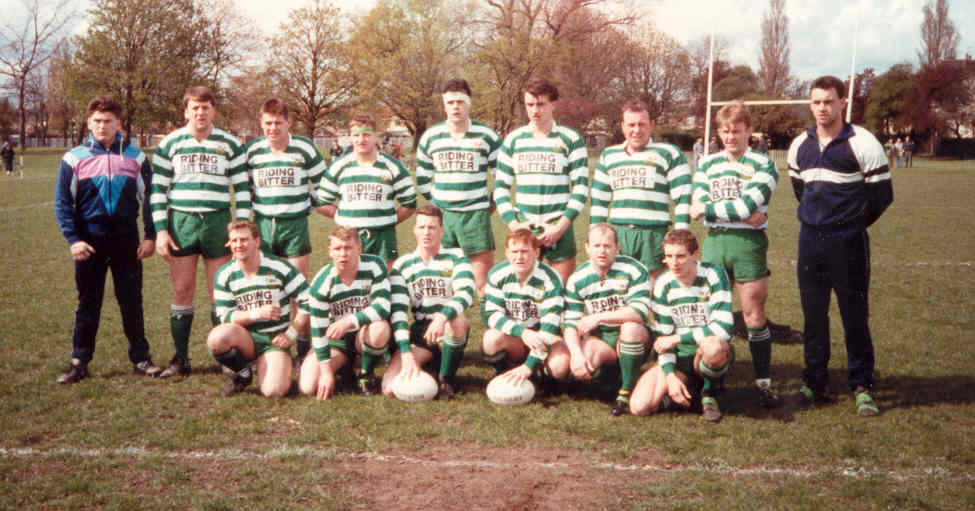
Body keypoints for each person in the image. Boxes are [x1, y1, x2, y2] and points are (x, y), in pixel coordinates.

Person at [787, 75, 892, 417]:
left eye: (829, 101)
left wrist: (850, 224)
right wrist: (819, 222)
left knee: (854, 315)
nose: (822, 108)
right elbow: (800, 191)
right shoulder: (799, 145)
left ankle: (861, 384)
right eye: (816, 102)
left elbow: (881, 196)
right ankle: (815, 382)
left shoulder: (862, 142)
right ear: (810, 104)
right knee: (813, 315)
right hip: (810, 241)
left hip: (848, 242)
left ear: (842, 102)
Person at [53, 96, 161, 383]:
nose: (102, 126)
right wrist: (73, 239)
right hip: (90, 241)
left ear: (118, 124)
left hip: (127, 240)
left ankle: (141, 359)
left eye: (108, 121)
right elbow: (63, 202)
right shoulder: (74, 158)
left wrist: (150, 236)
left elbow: (151, 200)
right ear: (89, 123)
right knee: (88, 303)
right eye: (97, 121)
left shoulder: (136, 157)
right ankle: (79, 362)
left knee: (131, 301)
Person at [151, 86, 250, 379]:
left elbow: (242, 189)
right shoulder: (170, 143)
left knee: (219, 292)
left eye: (205, 107)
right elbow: (158, 190)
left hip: (217, 223)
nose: (200, 113)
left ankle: (224, 355)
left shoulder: (230, 144)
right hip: (181, 222)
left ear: (213, 110)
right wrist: (161, 231)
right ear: (186, 111)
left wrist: (240, 229)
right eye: (194, 107)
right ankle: (181, 358)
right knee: (182, 290)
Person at [690, 100, 781, 408]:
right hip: (715, 242)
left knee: (753, 315)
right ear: (719, 132)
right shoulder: (706, 163)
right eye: (725, 131)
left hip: (748, 244)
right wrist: (736, 212)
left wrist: (709, 210)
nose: (731, 137)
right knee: (710, 312)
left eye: (737, 131)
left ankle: (763, 384)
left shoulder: (764, 164)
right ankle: (711, 384)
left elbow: (742, 206)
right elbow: (700, 204)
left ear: (748, 131)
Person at [244, 98, 327, 359]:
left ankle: (303, 348)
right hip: (263, 225)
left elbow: (325, 185)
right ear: (261, 123)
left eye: (278, 123)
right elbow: (245, 187)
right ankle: (268, 348)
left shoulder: (304, 147)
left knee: (298, 290)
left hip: (294, 225)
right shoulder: (253, 150)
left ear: (288, 122)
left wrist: (306, 206)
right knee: (266, 287)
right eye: (268, 123)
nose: (273, 128)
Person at [416, 78, 502, 323]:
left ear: (469, 103)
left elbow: (503, 176)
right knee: (443, 281)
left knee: (482, 283)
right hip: (443, 217)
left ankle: (491, 334)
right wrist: (437, 205)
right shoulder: (431, 136)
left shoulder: (486, 135)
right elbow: (422, 178)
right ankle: (445, 335)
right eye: (450, 102)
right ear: (444, 104)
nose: (456, 107)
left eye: (460, 102)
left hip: (475, 216)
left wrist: (490, 203)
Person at [628, 230, 734, 422]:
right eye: (669, 256)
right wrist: (670, 375)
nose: (674, 263)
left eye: (681, 256)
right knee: (639, 406)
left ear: (695, 255)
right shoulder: (663, 283)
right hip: (679, 357)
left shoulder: (713, 275)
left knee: (714, 348)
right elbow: (663, 340)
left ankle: (709, 393)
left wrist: (677, 338)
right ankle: (687, 391)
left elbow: (723, 328)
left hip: (706, 351)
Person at [494, 78, 588, 283]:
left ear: (553, 104)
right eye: (530, 105)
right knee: (524, 290)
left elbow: (581, 189)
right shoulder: (513, 140)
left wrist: (560, 227)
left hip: (558, 225)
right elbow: (500, 188)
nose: (535, 110)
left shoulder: (571, 139)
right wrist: (515, 225)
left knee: (561, 291)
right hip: (524, 225)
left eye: (541, 104)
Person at [553, 223, 652, 416]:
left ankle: (626, 391)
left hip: (634, 336)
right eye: (596, 246)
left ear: (617, 247)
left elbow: (639, 312)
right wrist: (576, 354)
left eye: (607, 246)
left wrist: (598, 317)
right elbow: (570, 323)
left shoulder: (633, 269)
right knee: (584, 362)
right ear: (587, 248)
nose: (602, 251)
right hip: (602, 339)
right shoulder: (577, 278)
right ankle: (613, 378)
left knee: (630, 328)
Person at [590, 100, 691, 284]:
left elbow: (683, 198)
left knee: (652, 288)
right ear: (622, 126)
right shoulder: (609, 155)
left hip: (653, 233)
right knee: (617, 286)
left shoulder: (669, 153)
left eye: (642, 124)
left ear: (651, 124)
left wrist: (681, 238)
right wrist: (595, 236)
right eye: (631, 124)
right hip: (618, 232)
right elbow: (599, 200)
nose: (636, 130)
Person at [207, 220, 310, 397]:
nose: (239, 245)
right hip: (245, 338)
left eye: (244, 239)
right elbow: (226, 317)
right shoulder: (224, 274)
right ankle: (243, 373)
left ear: (257, 241)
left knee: (274, 390)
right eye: (234, 241)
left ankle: (269, 364)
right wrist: (257, 314)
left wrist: (291, 333)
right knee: (217, 338)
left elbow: (308, 300)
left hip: (273, 339)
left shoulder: (279, 267)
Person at [383, 206, 475, 399]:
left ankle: (446, 379)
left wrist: (441, 318)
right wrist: (406, 353)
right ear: (414, 230)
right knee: (389, 388)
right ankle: (430, 367)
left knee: (457, 321)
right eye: (422, 227)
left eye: (432, 227)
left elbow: (465, 293)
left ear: (442, 230)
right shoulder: (403, 265)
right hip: (421, 333)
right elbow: (399, 313)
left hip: (447, 327)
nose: (426, 232)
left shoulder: (456, 257)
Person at [299, 227, 392, 399]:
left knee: (380, 328)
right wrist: (326, 372)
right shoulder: (321, 284)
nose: (343, 254)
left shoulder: (374, 265)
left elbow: (383, 306)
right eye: (338, 248)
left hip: (364, 333)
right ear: (330, 252)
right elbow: (319, 332)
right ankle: (345, 367)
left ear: (359, 249)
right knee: (308, 386)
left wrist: (349, 321)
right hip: (337, 342)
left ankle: (366, 374)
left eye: (348, 248)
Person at [316, 114, 416, 268]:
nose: (361, 140)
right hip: (349, 235)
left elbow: (410, 202)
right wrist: (342, 217)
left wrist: (388, 220)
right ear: (350, 138)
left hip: (383, 237)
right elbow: (321, 202)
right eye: (356, 135)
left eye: (366, 134)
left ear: (375, 137)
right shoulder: (339, 166)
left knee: (384, 277)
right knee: (350, 279)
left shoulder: (393, 166)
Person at [481, 229, 565, 387]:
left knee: (560, 365)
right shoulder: (497, 274)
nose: (519, 257)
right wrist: (523, 332)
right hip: (516, 336)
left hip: (544, 337)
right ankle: (505, 374)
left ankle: (542, 380)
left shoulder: (551, 279)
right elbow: (493, 316)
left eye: (525, 251)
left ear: (536, 252)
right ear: (507, 253)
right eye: (514, 251)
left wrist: (529, 366)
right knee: (491, 339)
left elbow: (549, 329)